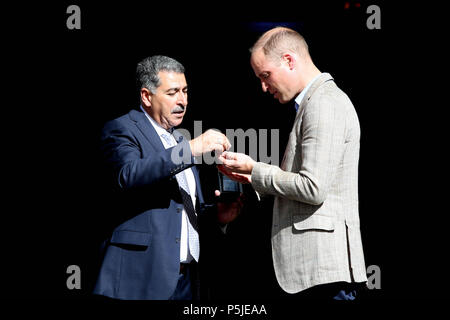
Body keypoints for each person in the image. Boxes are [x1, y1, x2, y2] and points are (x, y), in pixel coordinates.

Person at [218, 27, 368, 300]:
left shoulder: (323, 103)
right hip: (316, 272)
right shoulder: (313, 103)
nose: (264, 87)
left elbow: (313, 187)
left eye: (266, 76)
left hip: (323, 274)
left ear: (289, 60)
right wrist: (249, 178)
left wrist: (255, 170)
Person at [93, 55, 240, 300]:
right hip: (139, 277)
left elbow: (181, 211)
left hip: (184, 281)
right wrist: (190, 150)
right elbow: (128, 174)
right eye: (172, 92)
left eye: (185, 91)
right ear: (146, 96)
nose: (182, 100)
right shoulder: (122, 128)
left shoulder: (179, 141)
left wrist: (218, 216)